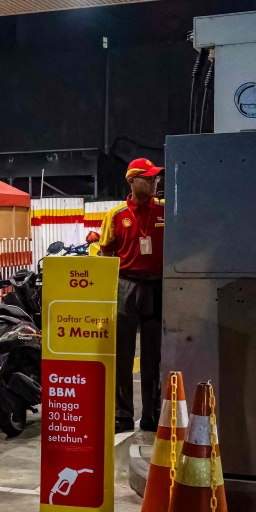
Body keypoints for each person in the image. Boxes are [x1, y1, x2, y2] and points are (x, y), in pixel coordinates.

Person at [99, 158, 165, 433]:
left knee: (154, 357)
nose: (154, 182)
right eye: (148, 178)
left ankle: (151, 416)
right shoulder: (115, 216)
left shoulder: (166, 211)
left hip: (159, 287)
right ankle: (123, 416)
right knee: (122, 356)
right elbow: (105, 253)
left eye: (156, 178)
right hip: (126, 285)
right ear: (131, 181)